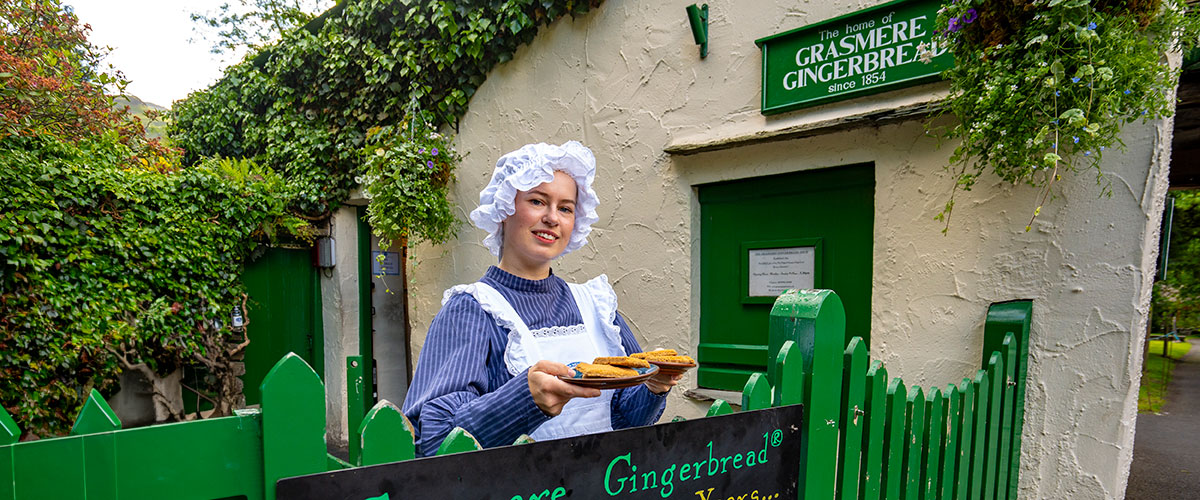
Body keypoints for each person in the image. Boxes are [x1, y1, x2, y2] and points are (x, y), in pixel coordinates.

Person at [401, 141, 681, 456]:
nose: (552, 218)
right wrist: (526, 399)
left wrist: (653, 387)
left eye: (565, 208)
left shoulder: (596, 304)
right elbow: (434, 439)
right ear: (504, 208)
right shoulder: (472, 310)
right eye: (537, 201)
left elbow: (625, 420)